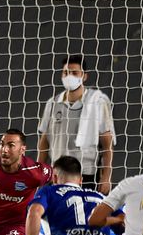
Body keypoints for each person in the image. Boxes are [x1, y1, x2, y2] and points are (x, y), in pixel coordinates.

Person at [38, 55, 115, 194]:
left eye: (74, 73)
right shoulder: (53, 103)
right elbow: (44, 142)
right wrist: (40, 173)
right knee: (57, 214)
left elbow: (107, 143)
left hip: (86, 174)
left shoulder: (97, 102)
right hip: (57, 172)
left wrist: (106, 176)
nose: (69, 76)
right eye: (66, 73)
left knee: (83, 214)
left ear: (84, 76)